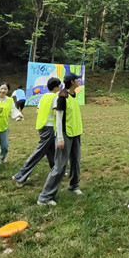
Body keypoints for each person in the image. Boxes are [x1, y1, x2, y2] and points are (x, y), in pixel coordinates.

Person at [38, 72, 84, 205]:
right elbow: (58, 118)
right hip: (65, 134)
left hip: (75, 133)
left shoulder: (73, 94)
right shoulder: (62, 96)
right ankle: (45, 197)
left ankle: (74, 185)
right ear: (72, 82)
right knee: (60, 166)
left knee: (76, 161)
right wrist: (60, 138)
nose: (78, 82)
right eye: (77, 80)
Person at [12, 78, 59, 187]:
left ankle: (57, 171)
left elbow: (37, 111)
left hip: (41, 126)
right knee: (39, 153)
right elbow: (57, 113)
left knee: (51, 150)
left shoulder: (43, 97)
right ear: (56, 86)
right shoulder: (55, 97)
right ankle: (20, 176)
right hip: (50, 127)